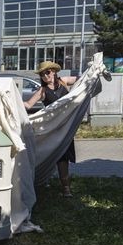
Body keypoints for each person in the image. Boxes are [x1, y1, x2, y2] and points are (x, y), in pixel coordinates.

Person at [24, 61, 78, 197]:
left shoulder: (64, 82)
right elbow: (29, 105)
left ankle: (65, 187)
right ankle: (55, 183)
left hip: (66, 127)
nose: (45, 76)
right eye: (42, 74)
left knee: (64, 157)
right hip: (53, 129)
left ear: (54, 71)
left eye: (47, 72)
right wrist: (11, 99)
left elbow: (81, 81)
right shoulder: (42, 91)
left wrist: (93, 73)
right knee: (56, 156)